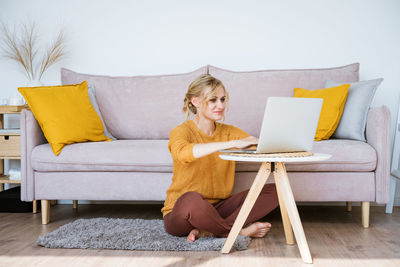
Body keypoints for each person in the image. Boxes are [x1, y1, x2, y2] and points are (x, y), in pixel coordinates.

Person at [162, 74, 279, 242]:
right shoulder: (181, 131)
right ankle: (238, 233)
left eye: (223, 99)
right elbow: (183, 153)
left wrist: (270, 141)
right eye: (213, 100)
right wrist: (228, 144)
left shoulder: (229, 131)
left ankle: (211, 231)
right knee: (192, 198)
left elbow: (256, 144)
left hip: (217, 210)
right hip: (182, 213)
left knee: (275, 190)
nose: (220, 105)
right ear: (196, 102)